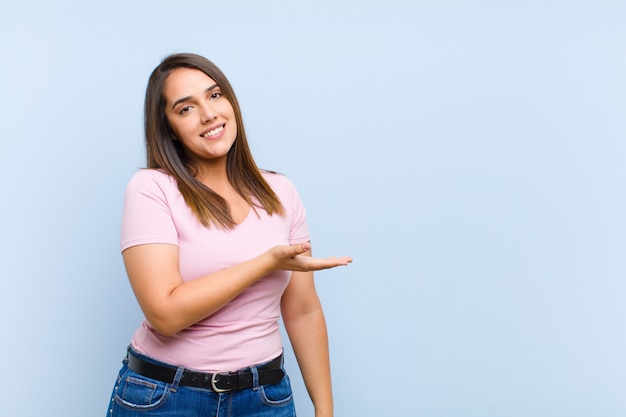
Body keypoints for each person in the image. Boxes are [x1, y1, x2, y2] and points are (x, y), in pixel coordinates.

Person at [106, 53, 351, 417]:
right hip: (166, 398)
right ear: (169, 127)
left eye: (215, 95)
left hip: (264, 397)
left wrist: (325, 410)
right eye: (186, 108)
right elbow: (166, 315)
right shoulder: (152, 188)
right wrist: (266, 262)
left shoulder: (281, 192)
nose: (208, 114)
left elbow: (303, 310)